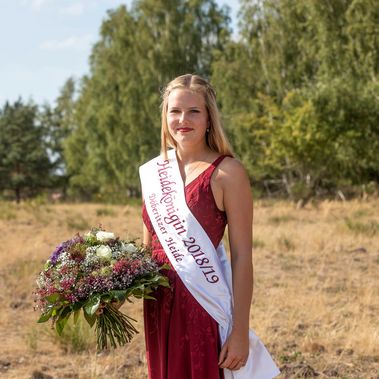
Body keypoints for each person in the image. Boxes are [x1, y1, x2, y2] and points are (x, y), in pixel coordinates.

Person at [139, 74, 279, 379]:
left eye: (193, 111)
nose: (182, 120)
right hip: (159, 303)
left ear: (209, 118)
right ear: (165, 117)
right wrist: (111, 286)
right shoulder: (153, 173)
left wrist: (240, 331)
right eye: (174, 111)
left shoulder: (227, 172)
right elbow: (147, 251)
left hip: (202, 304)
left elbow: (242, 256)